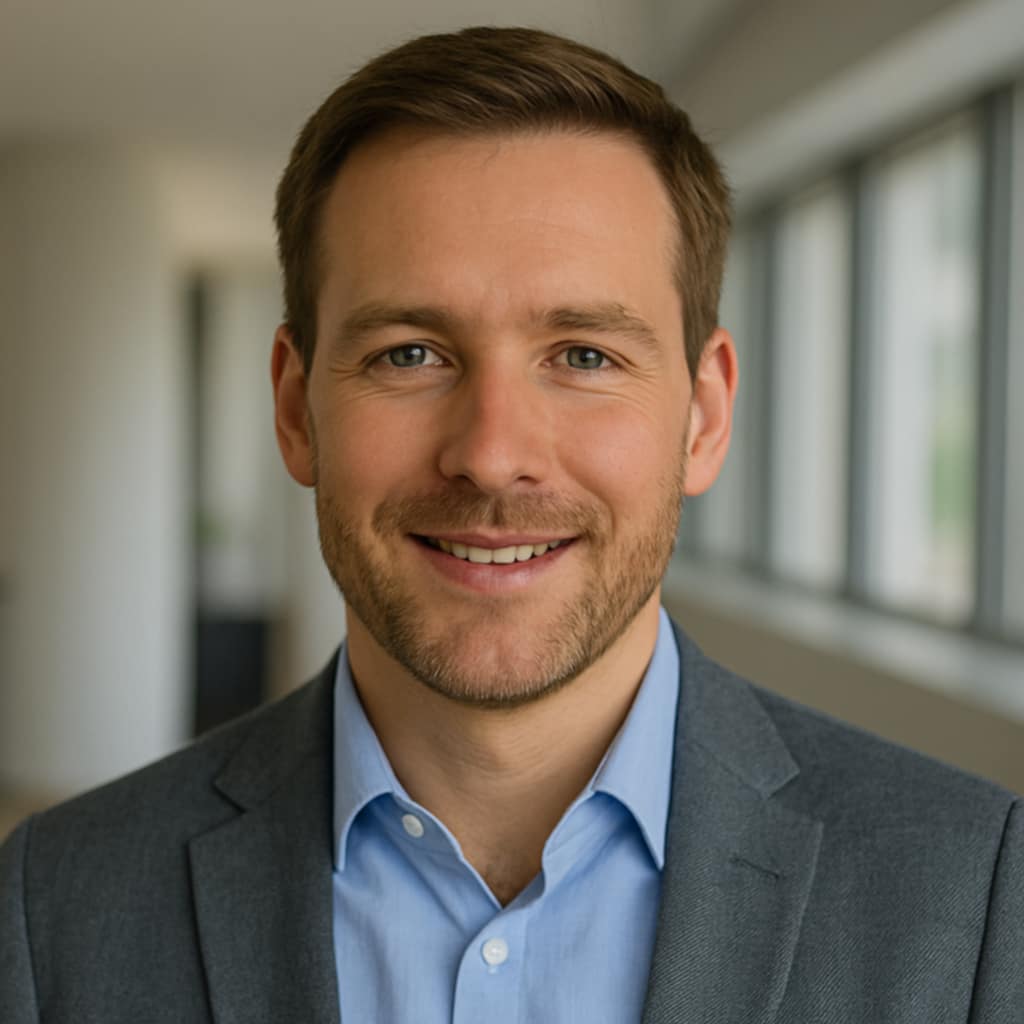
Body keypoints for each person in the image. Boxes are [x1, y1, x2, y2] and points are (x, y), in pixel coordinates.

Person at [2, 25, 1021, 1024]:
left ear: (704, 416)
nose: (491, 454)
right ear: (294, 409)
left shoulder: (974, 894)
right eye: (409, 353)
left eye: (582, 355)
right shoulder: (54, 907)